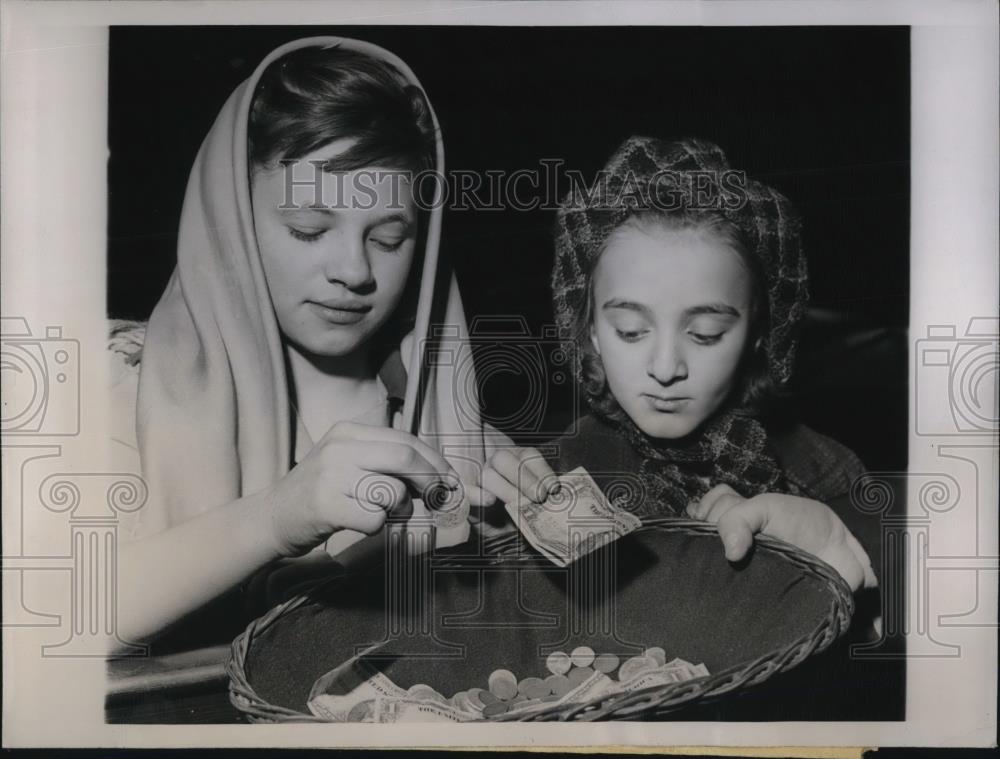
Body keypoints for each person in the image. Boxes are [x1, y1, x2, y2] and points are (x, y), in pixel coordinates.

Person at [107, 37, 521, 648]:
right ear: (232, 225)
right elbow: (52, 618)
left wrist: (526, 528)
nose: (354, 270)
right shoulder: (115, 383)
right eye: (309, 230)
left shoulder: (443, 420)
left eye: (387, 238)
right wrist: (279, 516)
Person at [485, 136, 879, 595]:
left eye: (705, 333)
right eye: (631, 330)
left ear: (757, 334)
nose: (666, 368)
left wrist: (834, 562)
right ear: (591, 328)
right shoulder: (549, 480)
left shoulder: (826, 474)